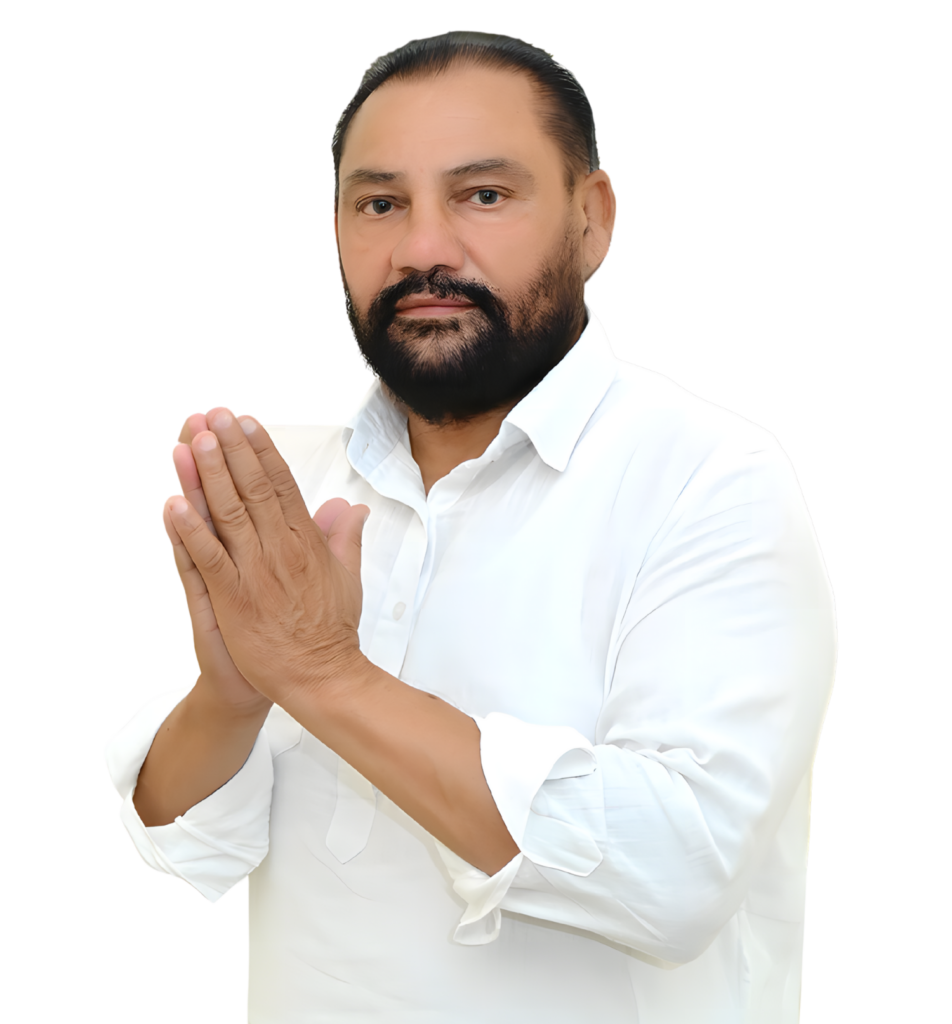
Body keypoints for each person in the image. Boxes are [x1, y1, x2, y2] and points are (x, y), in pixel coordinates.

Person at [103, 30, 837, 1023]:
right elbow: (180, 836)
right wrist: (233, 696)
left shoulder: (711, 475)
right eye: (380, 204)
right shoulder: (293, 483)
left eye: (483, 195)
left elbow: (676, 876)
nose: (422, 249)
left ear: (593, 217)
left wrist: (323, 675)